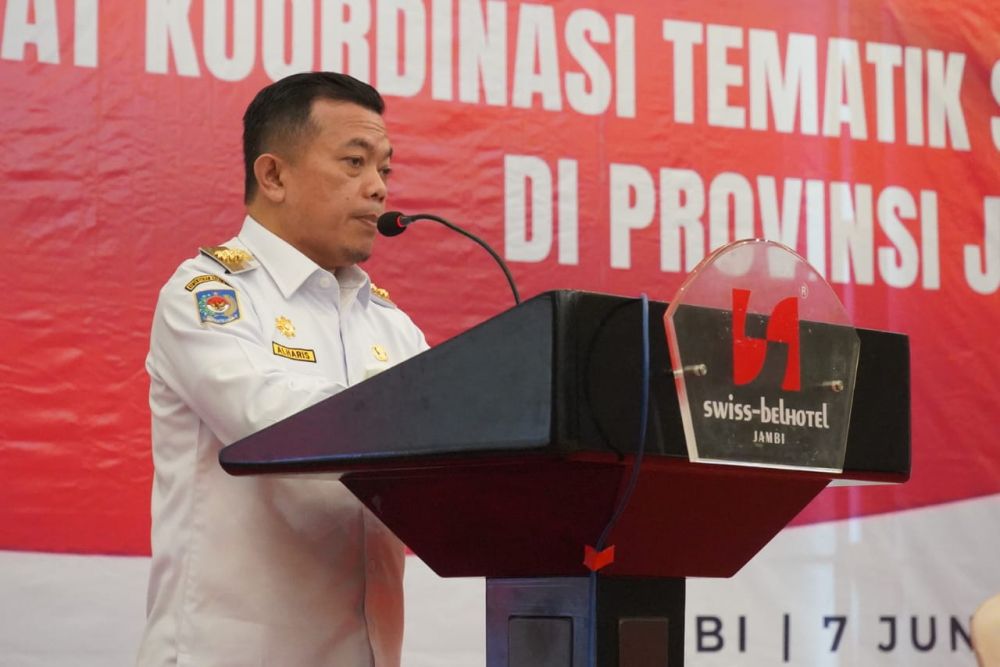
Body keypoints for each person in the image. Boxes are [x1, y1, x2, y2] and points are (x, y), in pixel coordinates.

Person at [137, 72, 428, 666]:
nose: (378, 188)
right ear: (273, 176)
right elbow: (271, 425)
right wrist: (430, 420)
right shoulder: (207, 295)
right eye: (354, 163)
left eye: (384, 169)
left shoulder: (391, 325)